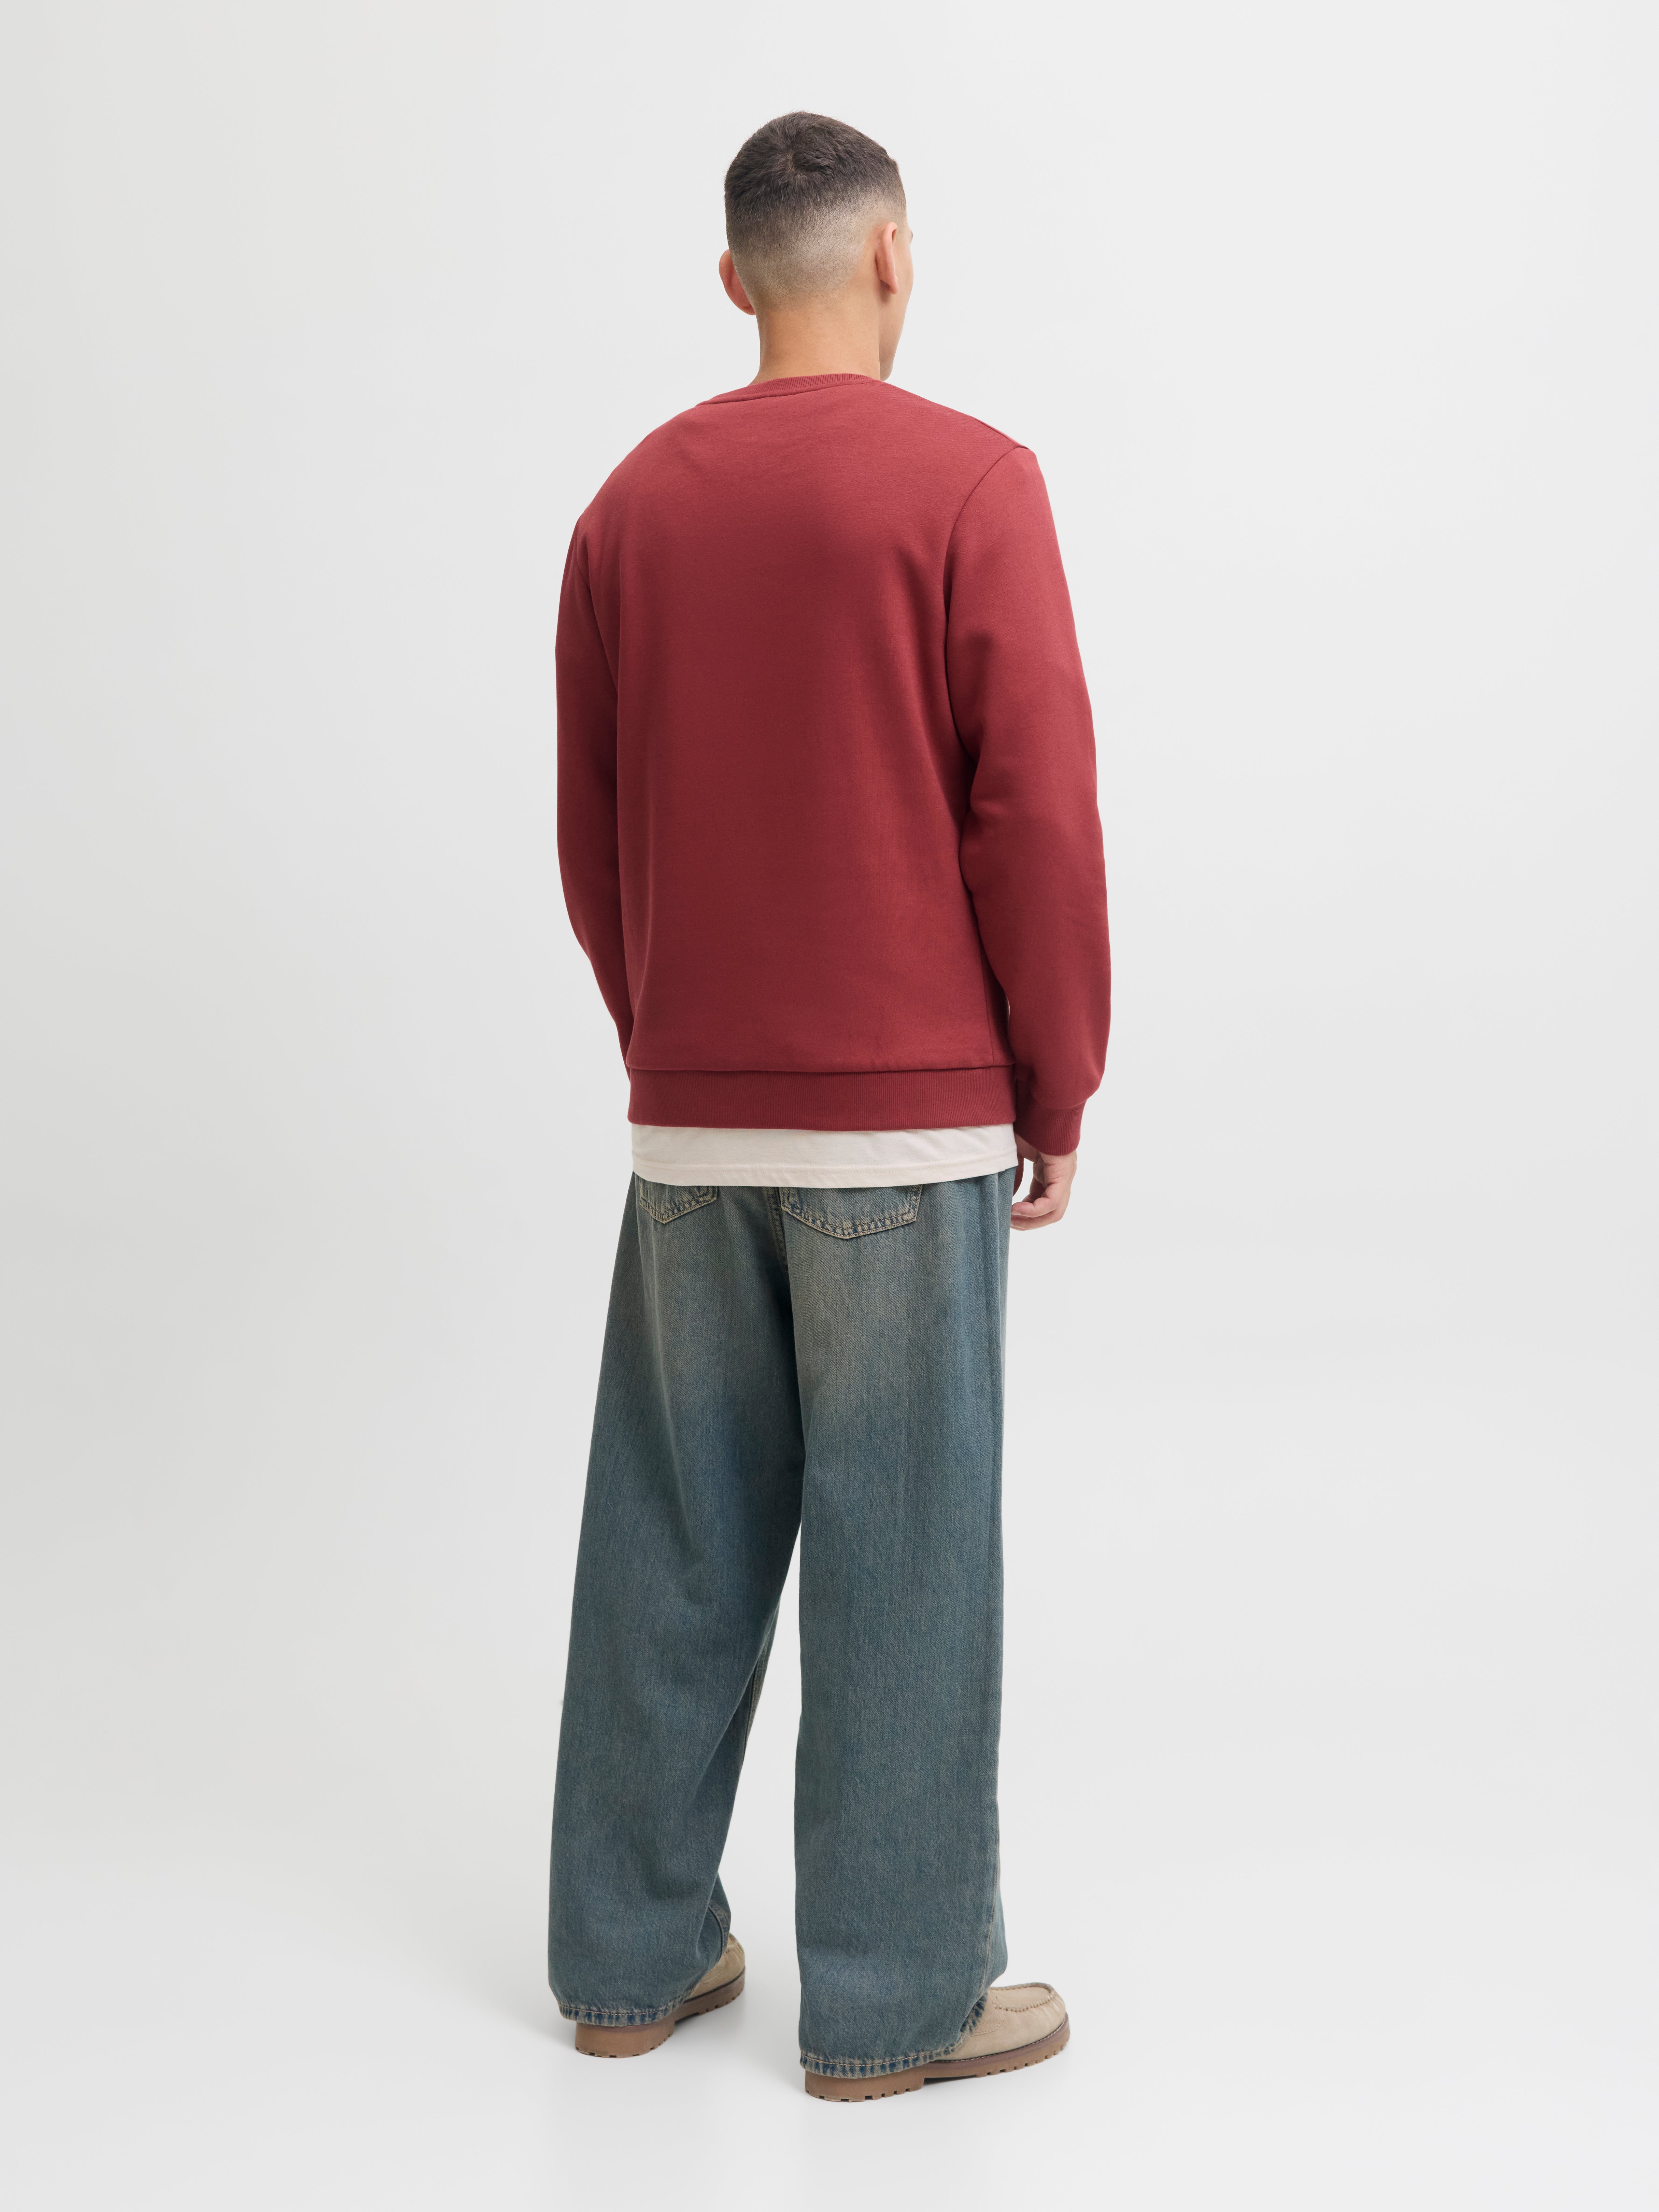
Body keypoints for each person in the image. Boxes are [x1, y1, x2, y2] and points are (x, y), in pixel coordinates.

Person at [548, 111, 1110, 2101]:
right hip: (907, 1120)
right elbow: (1036, 812)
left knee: (670, 1539)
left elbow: (591, 836)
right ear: (892, 256)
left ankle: (626, 1966)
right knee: (908, 1557)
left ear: (734, 280)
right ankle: (893, 2005)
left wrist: (673, 1048)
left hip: (695, 1119)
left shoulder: (628, 509)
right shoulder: (971, 481)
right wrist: (1057, 1076)